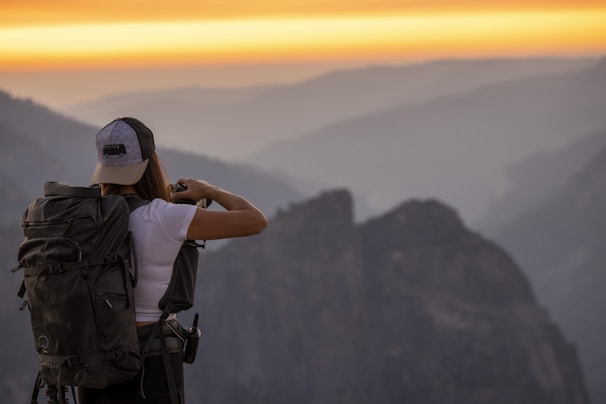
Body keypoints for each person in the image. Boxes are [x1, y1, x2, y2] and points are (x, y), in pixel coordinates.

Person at [78, 117, 268, 403]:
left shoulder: (85, 216)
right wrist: (208, 189)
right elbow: (255, 221)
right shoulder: (165, 218)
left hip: (92, 363)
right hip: (150, 362)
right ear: (149, 164)